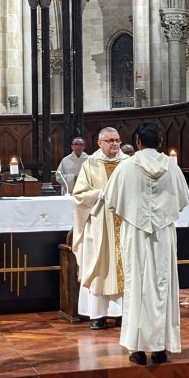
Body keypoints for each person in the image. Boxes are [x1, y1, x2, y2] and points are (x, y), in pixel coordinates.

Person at [104, 122, 189, 366]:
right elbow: (183, 200)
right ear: (160, 142)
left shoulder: (126, 167)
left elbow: (110, 201)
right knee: (163, 286)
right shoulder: (172, 168)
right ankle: (161, 347)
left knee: (137, 286)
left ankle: (138, 348)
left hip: (136, 234)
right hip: (163, 235)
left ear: (138, 142)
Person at [72, 127, 126, 329]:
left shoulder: (128, 164)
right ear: (99, 143)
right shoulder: (90, 164)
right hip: (99, 225)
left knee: (124, 266)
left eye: (118, 140)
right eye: (110, 140)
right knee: (98, 266)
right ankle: (98, 315)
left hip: (124, 224)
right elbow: (79, 195)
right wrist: (102, 193)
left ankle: (122, 313)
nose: (115, 144)